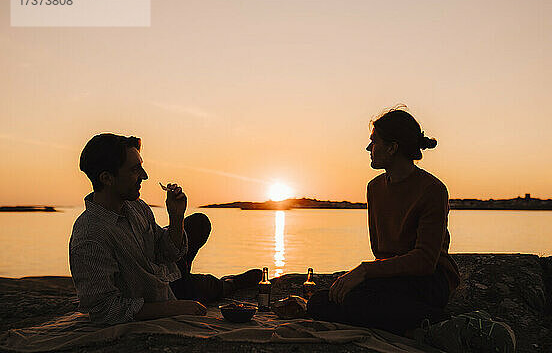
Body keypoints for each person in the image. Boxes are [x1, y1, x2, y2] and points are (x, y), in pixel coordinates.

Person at [306, 108, 516, 352]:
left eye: (374, 141)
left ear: (393, 147)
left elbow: (425, 261)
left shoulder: (432, 190)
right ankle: (419, 329)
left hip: (428, 280)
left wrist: (365, 271)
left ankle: (450, 324)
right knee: (320, 302)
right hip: (393, 279)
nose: (368, 148)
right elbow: (381, 251)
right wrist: (368, 277)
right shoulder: (374, 188)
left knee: (354, 301)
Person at [70, 133, 260, 324]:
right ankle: (230, 284)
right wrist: (175, 307)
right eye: (135, 170)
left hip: (163, 276)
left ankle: (189, 277)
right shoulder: (90, 235)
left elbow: (166, 253)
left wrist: (176, 216)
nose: (144, 176)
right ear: (107, 178)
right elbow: (104, 310)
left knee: (199, 222)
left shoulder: (136, 206)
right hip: (153, 298)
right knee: (204, 288)